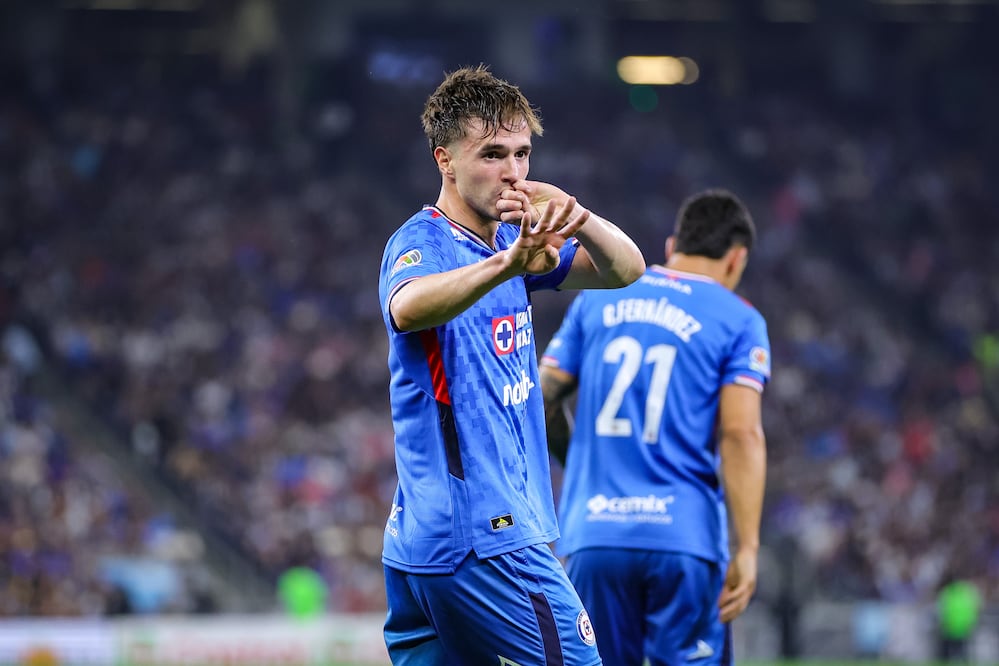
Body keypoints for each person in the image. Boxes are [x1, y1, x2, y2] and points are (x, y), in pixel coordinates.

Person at [378, 64, 646, 665]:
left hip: (425, 545)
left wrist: (574, 213)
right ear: (445, 160)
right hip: (483, 535)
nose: (513, 172)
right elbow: (407, 307)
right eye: (493, 154)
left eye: (523, 154)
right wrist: (508, 266)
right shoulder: (423, 242)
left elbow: (626, 270)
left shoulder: (510, 241)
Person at [540, 189, 770, 666]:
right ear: (737, 259)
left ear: (670, 247)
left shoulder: (600, 299)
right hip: (683, 539)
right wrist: (746, 548)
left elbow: (541, 397)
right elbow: (741, 434)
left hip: (595, 534)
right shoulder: (739, 320)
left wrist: (579, 456)